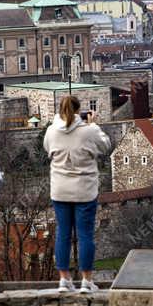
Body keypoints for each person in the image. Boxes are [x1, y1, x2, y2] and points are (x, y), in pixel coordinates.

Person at [43, 95, 111, 293]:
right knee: (85, 235)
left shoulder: (51, 131)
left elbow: (48, 149)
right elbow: (105, 145)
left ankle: (64, 279)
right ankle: (86, 281)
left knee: (63, 234)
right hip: (84, 190)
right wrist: (95, 124)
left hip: (60, 189)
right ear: (78, 110)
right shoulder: (88, 131)